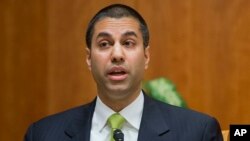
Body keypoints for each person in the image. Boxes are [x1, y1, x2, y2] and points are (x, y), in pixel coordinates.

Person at [24, 4, 223, 141]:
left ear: (146, 56)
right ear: (88, 58)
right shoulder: (42, 135)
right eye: (104, 44)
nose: (117, 54)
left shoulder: (198, 133)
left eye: (128, 43)